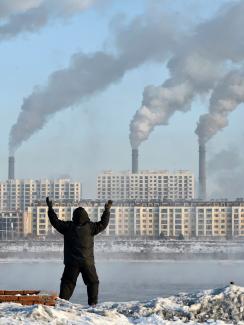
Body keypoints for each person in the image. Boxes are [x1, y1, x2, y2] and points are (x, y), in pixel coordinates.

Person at [46, 197, 112, 306]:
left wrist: (50, 209)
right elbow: (103, 224)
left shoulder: (68, 227)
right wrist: (107, 211)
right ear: (86, 216)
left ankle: (62, 303)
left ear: (74, 216)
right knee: (93, 282)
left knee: (68, 282)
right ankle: (93, 304)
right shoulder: (91, 227)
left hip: (71, 263)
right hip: (88, 263)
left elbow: (55, 222)